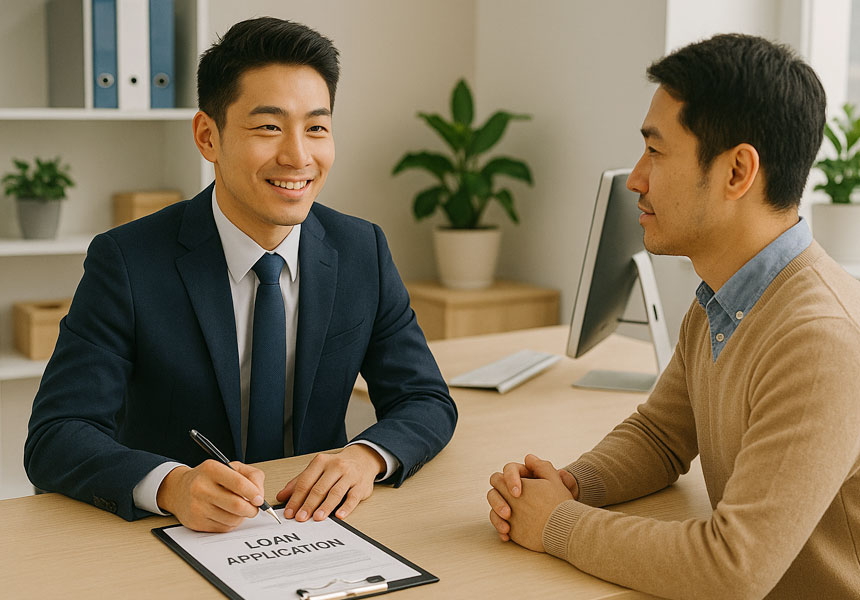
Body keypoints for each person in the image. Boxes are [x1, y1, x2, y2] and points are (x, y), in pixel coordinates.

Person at [24, 17, 457, 533]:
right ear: (208, 136)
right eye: (269, 127)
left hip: (314, 530)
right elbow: (56, 433)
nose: (298, 156)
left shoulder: (362, 249)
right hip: (173, 535)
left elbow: (425, 399)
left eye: (316, 127)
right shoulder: (127, 260)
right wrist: (171, 485)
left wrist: (366, 456)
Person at [487, 34, 860, 599]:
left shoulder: (820, 342)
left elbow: (733, 568)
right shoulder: (723, 298)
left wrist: (557, 524)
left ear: (738, 172)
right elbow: (660, 436)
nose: (636, 178)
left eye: (656, 152)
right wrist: (571, 485)